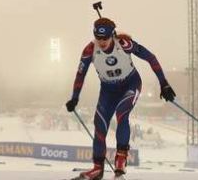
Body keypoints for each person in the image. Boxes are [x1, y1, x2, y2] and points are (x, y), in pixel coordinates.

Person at [65, 17, 176, 180]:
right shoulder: (90, 50)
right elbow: (80, 74)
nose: (101, 42)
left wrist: (164, 84)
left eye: (105, 38)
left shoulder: (124, 44)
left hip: (130, 84)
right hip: (108, 90)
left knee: (121, 113)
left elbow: (150, 57)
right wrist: (74, 98)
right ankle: (97, 169)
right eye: (98, 38)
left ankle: (121, 161)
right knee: (100, 124)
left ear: (112, 35)